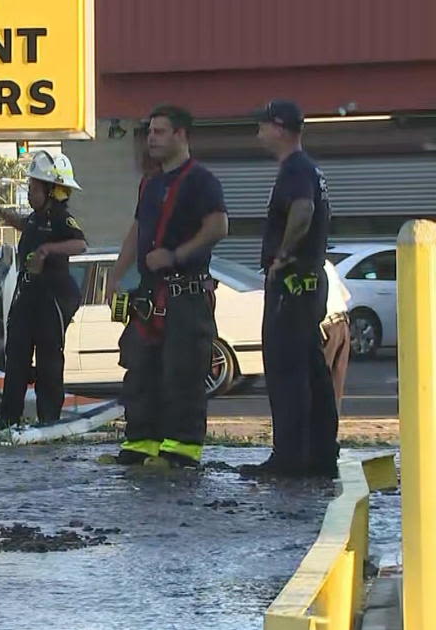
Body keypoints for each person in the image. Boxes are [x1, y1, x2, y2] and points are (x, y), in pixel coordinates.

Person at [103, 104, 229, 469]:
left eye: (159, 132)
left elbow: (219, 226)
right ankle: (141, 444)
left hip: (186, 295)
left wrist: (176, 255)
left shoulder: (201, 181)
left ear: (181, 135)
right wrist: (115, 274)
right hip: (149, 294)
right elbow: (138, 230)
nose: (151, 139)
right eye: (150, 132)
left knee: (183, 373)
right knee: (141, 370)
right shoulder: (151, 182)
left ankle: (181, 452)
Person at [241, 99, 340, 478]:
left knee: (286, 372)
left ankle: (290, 459)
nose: (258, 132)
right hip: (308, 285)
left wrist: (282, 255)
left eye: (263, 125)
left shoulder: (295, 170)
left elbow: (303, 211)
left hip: (293, 286)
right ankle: (319, 455)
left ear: (280, 128)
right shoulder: (309, 169)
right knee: (311, 370)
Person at [0, 151, 87, 429]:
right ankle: (8, 417)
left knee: (48, 359)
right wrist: (2, 214)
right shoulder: (35, 218)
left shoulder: (61, 218)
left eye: (34, 188)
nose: (30, 193)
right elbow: (24, 225)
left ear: (52, 190)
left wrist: (47, 250)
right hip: (29, 295)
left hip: (53, 296)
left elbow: (80, 244)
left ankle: (49, 419)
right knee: (17, 355)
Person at [322, 260, 352, 406]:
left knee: (320, 382)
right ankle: (331, 424)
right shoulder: (327, 264)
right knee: (336, 382)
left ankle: (320, 426)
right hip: (342, 321)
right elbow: (346, 296)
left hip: (325, 326)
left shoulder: (303, 265)